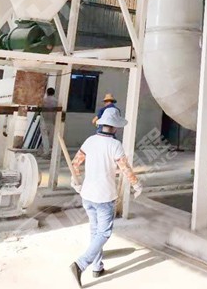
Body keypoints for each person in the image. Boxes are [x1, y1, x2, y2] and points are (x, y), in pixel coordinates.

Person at [69, 106, 142, 286]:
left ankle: (97, 267)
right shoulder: (115, 145)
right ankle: (80, 264)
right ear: (115, 127)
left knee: (95, 231)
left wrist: (75, 181)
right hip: (104, 196)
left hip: (87, 195)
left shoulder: (89, 141)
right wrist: (136, 184)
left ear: (102, 124)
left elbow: (75, 163)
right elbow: (125, 169)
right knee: (104, 233)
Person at [38, 87, 58, 157]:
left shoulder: (44, 101)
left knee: (44, 137)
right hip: (52, 121)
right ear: (54, 93)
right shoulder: (56, 101)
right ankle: (40, 151)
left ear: (47, 93)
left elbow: (39, 109)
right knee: (49, 138)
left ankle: (46, 152)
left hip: (44, 120)